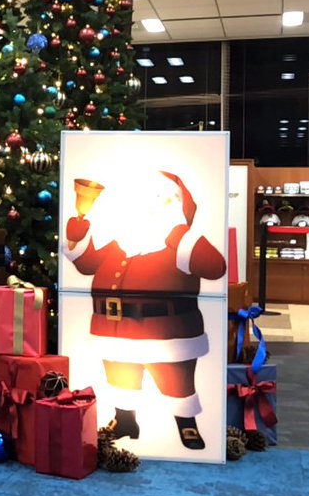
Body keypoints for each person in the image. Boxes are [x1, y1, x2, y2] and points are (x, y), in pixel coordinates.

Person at [64, 171, 226, 449]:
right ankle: (125, 420)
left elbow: (214, 267)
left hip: (167, 332)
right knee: (120, 376)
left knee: (176, 379)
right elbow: (87, 265)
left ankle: (186, 424)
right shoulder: (121, 244)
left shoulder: (180, 244)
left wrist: (179, 232)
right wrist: (77, 236)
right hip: (114, 330)